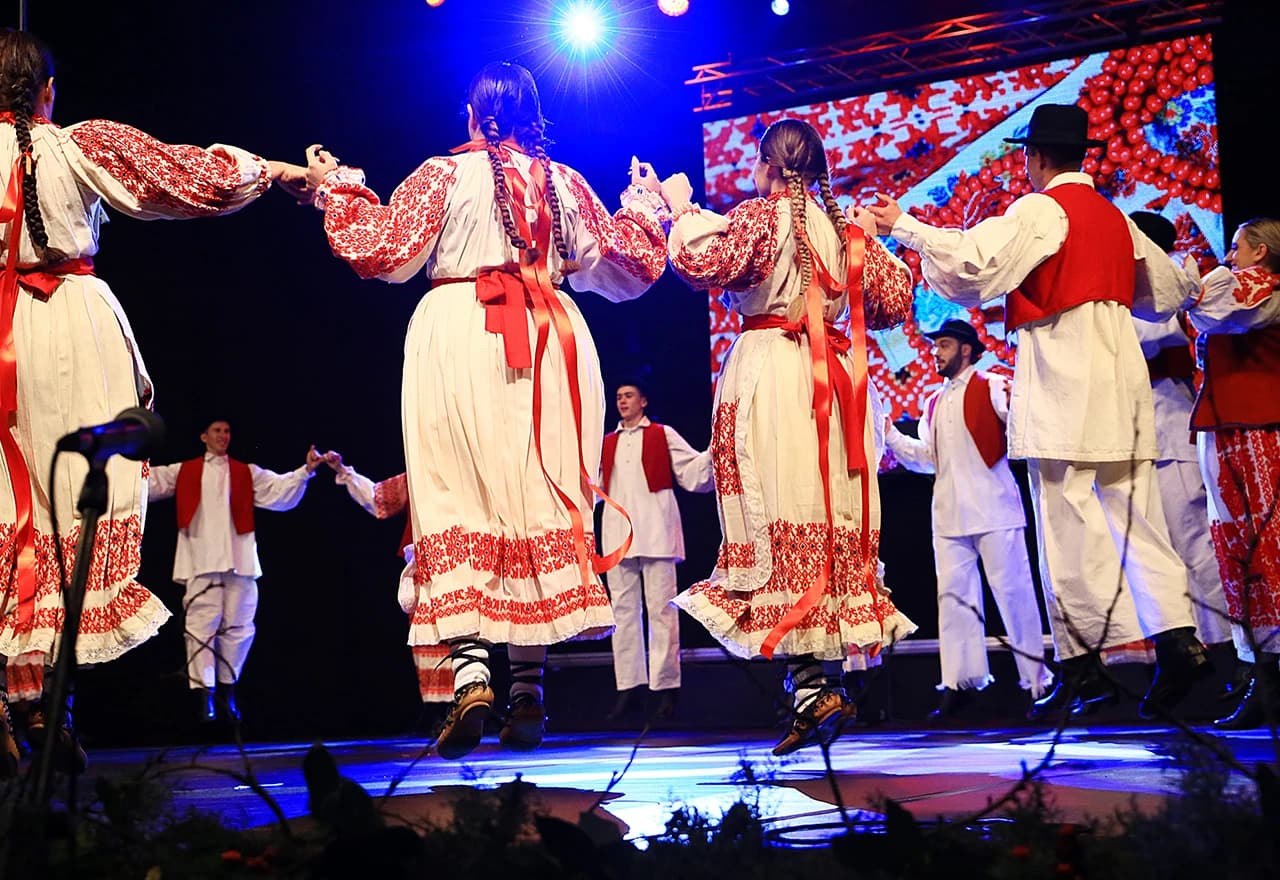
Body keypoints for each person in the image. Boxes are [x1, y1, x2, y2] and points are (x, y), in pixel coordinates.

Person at [300, 62, 668, 760]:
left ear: (471, 113)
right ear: (534, 116)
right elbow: (622, 267)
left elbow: (381, 252)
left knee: (456, 496)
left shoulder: (441, 174)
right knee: (535, 502)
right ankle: (528, 692)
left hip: (459, 333)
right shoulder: (565, 184)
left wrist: (340, 187)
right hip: (553, 340)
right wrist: (647, 205)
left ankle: (471, 677)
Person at [0, 29, 303, 775]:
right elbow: (189, 178)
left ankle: (25, 702)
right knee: (72, 504)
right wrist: (278, 171)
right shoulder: (80, 145)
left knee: (11, 509)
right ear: (48, 92)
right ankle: (45, 705)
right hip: (73, 328)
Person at [866, 103, 1209, 721]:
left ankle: (1085, 665)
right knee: (1138, 516)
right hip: (1122, 380)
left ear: (1039, 158)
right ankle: (1178, 640)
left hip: (1064, 373)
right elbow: (1167, 294)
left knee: (1065, 519)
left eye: (1027, 156)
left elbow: (976, 264)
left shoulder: (1042, 208)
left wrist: (907, 227)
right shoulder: (1115, 218)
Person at [656, 117, 918, 756]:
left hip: (772, 368)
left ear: (770, 166)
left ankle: (808, 684)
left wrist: (681, 207)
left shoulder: (764, 217)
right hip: (833, 375)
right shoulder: (847, 229)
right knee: (817, 512)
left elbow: (701, 261)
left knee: (774, 510)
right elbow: (895, 301)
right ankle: (811, 684)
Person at [884, 319, 1053, 720]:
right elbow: (929, 459)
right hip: (948, 515)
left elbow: (1017, 426)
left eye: (943, 345)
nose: (935, 352)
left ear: (964, 349)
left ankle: (1037, 682)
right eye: (935, 345)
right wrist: (888, 432)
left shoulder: (992, 384)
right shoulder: (932, 402)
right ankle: (961, 682)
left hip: (994, 509)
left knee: (1014, 597)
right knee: (954, 601)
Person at [147, 421, 321, 723]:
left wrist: (305, 470)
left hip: (238, 558)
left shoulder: (245, 471)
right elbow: (148, 483)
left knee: (240, 626)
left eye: (227, 431)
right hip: (201, 560)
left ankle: (228, 688)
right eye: (216, 431)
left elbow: (278, 489)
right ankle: (206, 693)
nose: (223, 436)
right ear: (203, 436)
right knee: (201, 627)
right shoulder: (184, 470)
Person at [1184, 217, 1280, 729]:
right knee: (1234, 547)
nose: (1229, 253)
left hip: (1263, 427)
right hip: (1225, 428)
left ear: (1260, 252)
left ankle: (1270, 673)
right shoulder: (1237, 287)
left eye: (1237, 245)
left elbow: (1214, 309)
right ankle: (1259, 671)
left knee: (1269, 545)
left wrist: (1188, 282)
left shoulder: (1258, 289)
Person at [1128, 212, 1232, 652]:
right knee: (1160, 549)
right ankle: (1185, 648)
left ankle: (1225, 645)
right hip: (1139, 434)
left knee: (1193, 543)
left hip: (1171, 428)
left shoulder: (1173, 280)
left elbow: (1147, 334)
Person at [599, 382, 712, 723]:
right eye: (618, 396)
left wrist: (718, 451)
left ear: (644, 401)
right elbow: (590, 484)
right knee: (622, 613)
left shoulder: (662, 434)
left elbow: (692, 470)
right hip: (619, 536)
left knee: (661, 612)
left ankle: (665, 687)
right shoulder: (606, 442)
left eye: (629, 395)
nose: (622, 401)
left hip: (657, 531)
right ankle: (629, 687)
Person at [325, 452, 455, 726]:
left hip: (463, 558)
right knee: (427, 634)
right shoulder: (415, 479)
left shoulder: (468, 478)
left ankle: (464, 702)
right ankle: (436, 710)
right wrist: (344, 471)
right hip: (426, 560)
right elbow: (377, 498)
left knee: (462, 629)